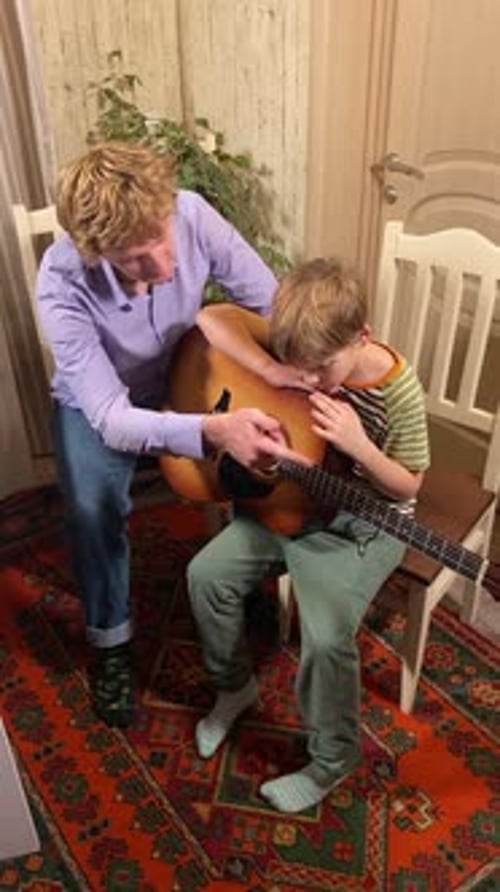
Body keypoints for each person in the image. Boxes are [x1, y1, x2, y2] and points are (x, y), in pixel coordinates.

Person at [35, 140, 304, 728]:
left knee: (257, 460)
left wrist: (320, 352)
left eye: (162, 236)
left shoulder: (191, 212)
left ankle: (246, 579)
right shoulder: (60, 281)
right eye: (136, 258)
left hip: (185, 370)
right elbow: (112, 417)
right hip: (101, 404)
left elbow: (269, 303)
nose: (163, 265)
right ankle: (110, 644)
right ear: (96, 250)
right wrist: (212, 430)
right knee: (91, 509)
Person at [188, 257, 430, 814]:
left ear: (362, 336)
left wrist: (359, 446)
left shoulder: (398, 389)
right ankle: (234, 687)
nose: (312, 379)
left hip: (368, 522)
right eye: (300, 367)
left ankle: (333, 758)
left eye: (322, 368)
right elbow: (212, 318)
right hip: (299, 502)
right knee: (205, 575)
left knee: (324, 639)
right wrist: (273, 376)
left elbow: (408, 484)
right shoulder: (300, 350)